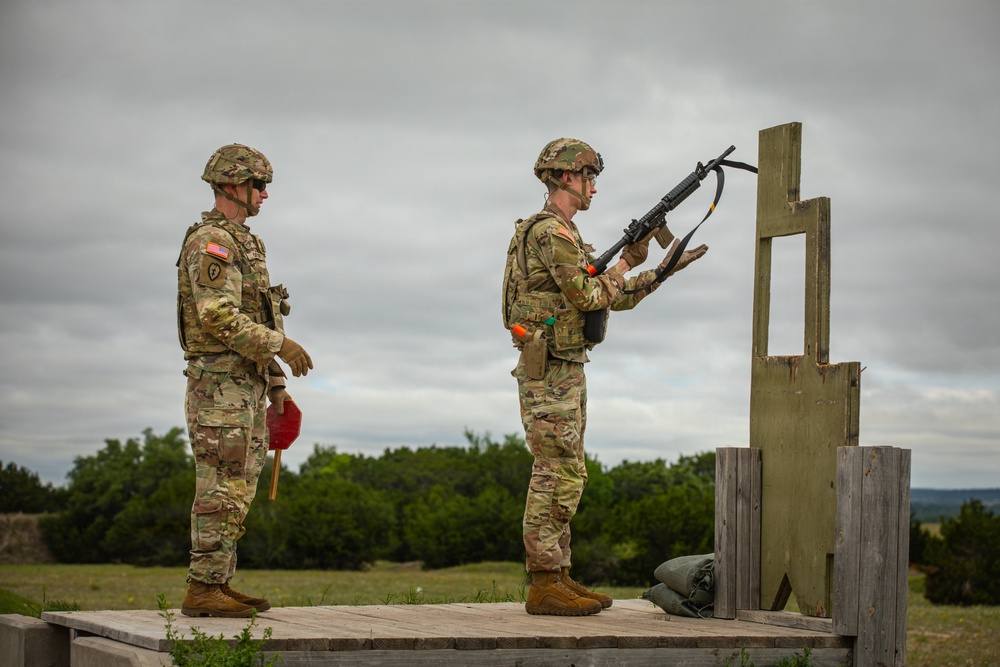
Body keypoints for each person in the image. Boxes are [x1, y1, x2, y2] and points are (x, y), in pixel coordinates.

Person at [502, 138, 708, 616]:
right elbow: (588, 296)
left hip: (564, 366)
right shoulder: (551, 233)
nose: (594, 187)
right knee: (556, 471)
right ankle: (543, 584)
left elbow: (609, 295)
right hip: (549, 370)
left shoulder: (566, 236)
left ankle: (558, 575)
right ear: (566, 177)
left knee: (568, 471)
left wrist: (660, 270)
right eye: (589, 176)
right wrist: (626, 264)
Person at [177, 143, 313, 618]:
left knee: (239, 485)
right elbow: (216, 315)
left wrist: (275, 384)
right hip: (219, 384)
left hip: (246, 382)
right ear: (232, 186)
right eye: (258, 185)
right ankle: (203, 586)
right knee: (220, 485)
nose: (264, 195)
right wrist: (280, 346)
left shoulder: (244, 242)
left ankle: (217, 582)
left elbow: (256, 311)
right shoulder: (211, 241)